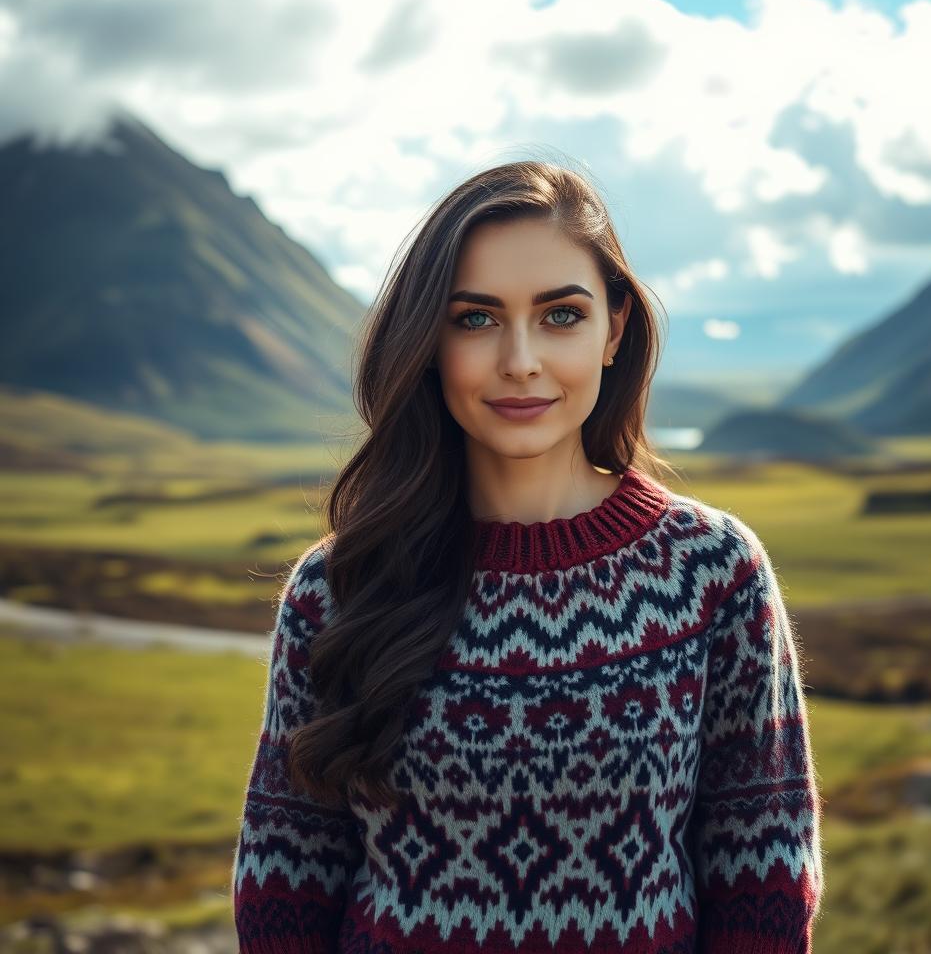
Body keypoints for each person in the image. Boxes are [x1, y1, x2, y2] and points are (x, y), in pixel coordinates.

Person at [231, 160, 825, 954]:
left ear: (614, 330)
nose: (520, 361)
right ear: (429, 342)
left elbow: (767, 881)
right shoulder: (337, 589)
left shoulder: (713, 573)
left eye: (560, 316)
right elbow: (284, 879)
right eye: (475, 319)